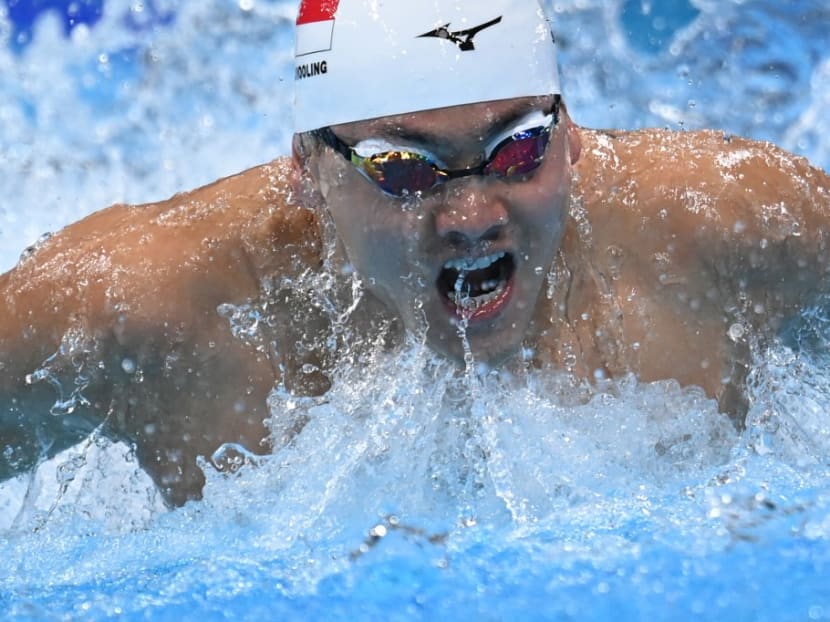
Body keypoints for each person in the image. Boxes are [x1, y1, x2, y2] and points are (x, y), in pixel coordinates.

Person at [1, 0, 828, 507]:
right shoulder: (143, 304)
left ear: (571, 138)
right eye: (404, 169)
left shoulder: (726, 224)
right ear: (307, 173)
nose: (470, 214)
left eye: (517, 150)